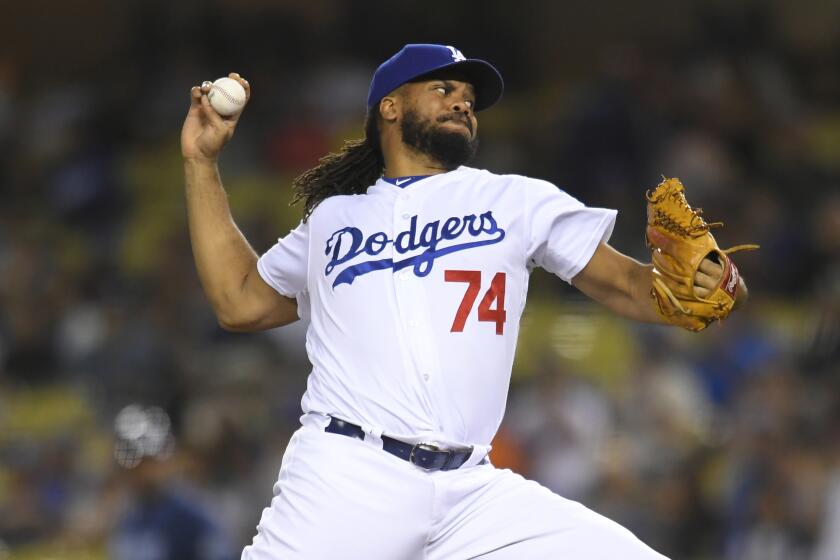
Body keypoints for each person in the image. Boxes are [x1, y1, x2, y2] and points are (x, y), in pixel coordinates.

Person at [181, 44, 748, 559]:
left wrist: (716, 284)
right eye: (443, 89)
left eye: (469, 98)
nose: (462, 103)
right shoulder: (333, 218)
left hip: (473, 489)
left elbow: (630, 285)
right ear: (390, 107)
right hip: (350, 474)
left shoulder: (514, 199)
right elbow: (240, 301)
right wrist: (201, 163)